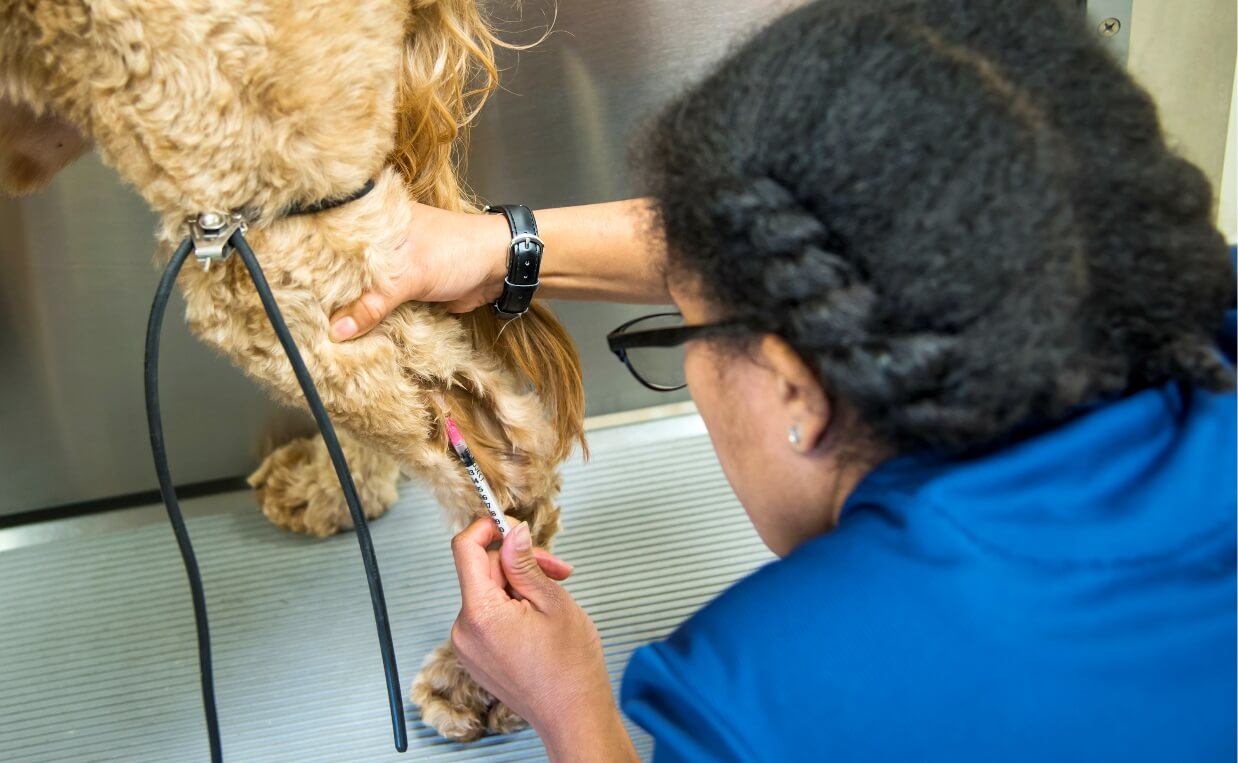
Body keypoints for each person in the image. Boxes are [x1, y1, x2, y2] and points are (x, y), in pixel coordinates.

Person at [331, 0, 1237, 759]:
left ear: (795, 389)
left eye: (687, 327)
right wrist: (500, 249)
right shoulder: (1208, 319)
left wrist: (570, 705)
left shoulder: (769, 695)